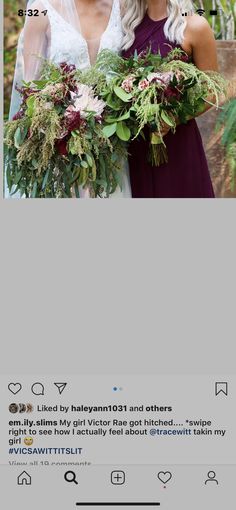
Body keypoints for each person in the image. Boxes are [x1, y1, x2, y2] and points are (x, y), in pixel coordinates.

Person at [7, 0, 131, 198]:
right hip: (60, 151)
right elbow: (29, 89)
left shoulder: (122, 7)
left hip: (112, 146)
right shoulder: (41, 11)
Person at [122, 0, 229, 198]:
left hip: (177, 142)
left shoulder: (195, 25)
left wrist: (175, 117)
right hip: (135, 143)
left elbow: (213, 89)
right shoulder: (128, 26)